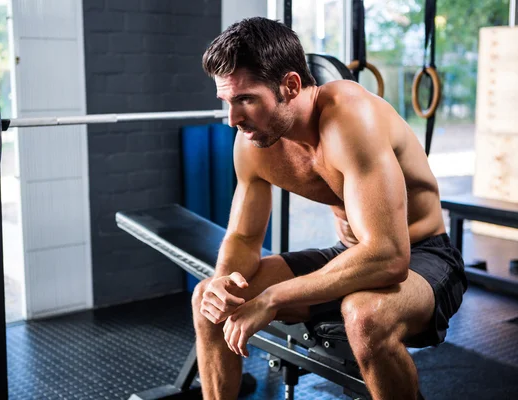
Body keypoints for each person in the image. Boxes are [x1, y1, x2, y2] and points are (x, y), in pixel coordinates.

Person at [192, 16, 467, 400]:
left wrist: (272, 298)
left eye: (245, 99)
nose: (233, 119)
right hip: (353, 255)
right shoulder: (254, 144)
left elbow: (389, 256)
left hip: (425, 256)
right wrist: (225, 286)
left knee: (365, 315)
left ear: (289, 85)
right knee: (207, 299)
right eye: (227, 102)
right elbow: (242, 236)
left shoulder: (350, 118)